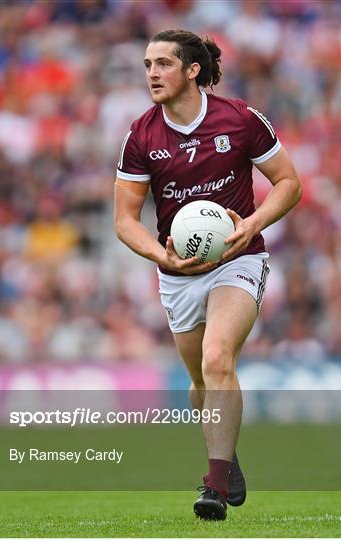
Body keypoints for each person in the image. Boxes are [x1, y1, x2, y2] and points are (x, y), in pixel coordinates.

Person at [114, 29, 302, 520]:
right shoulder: (141, 135)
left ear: (192, 70)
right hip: (179, 274)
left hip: (239, 259)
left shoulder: (239, 119)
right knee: (200, 381)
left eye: (162, 64)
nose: (152, 73)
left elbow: (289, 182)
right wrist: (162, 255)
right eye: (147, 64)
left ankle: (213, 485)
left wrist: (253, 225)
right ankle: (227, 454)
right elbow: (124, 220)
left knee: (219, 358)